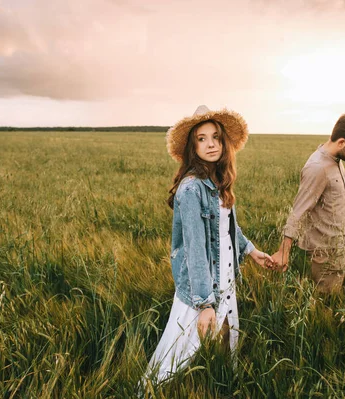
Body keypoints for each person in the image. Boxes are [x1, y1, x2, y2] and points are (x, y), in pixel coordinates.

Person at [143, 105, 273, 386]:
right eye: (201, 138)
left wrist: (251, 251)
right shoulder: (191, 189)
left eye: (215, 136)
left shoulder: (218, 180)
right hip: (202, 288)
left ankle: (222, 387)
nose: (211, 144)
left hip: (225, 280)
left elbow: (226, 228)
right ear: (193, 146)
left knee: (226, 342)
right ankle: (151, 391)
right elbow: (196, 249)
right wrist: (204, 304)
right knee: (176, 356)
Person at [271, 111, 345, 294]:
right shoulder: (318, 168)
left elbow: (336, 197)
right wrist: (283, 252)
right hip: (326, 252)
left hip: (339, 246)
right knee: (328, 302)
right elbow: (298, 212)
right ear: (342, 142)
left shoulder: (337, 160)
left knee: (332, 297)